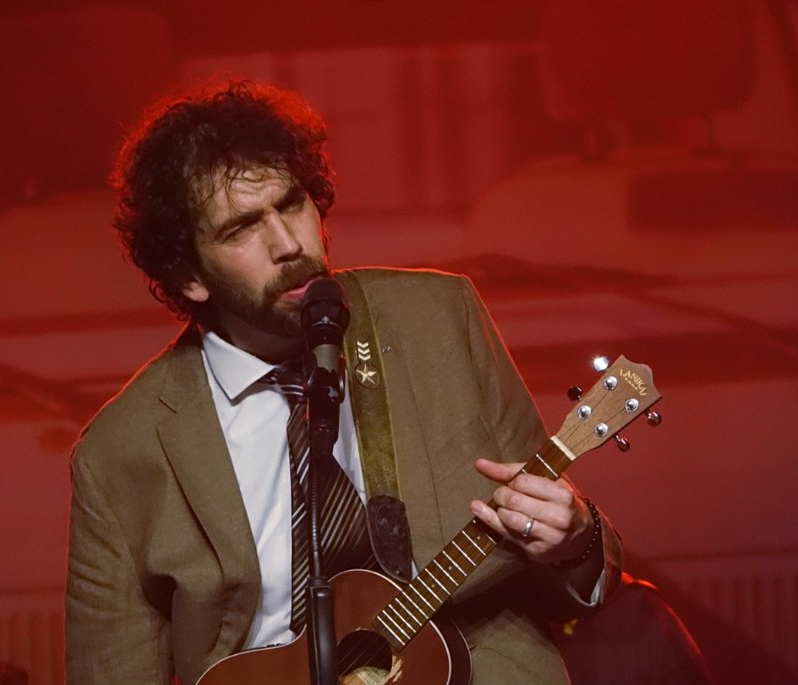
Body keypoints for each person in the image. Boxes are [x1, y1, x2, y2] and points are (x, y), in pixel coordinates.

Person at [65, 80, 623, 685]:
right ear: (187, 275)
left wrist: (575, 540)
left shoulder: (438, 320)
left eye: (292, 204)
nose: (288, 244)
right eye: (241, 229)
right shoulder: (121, 454)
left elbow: (567, 579)